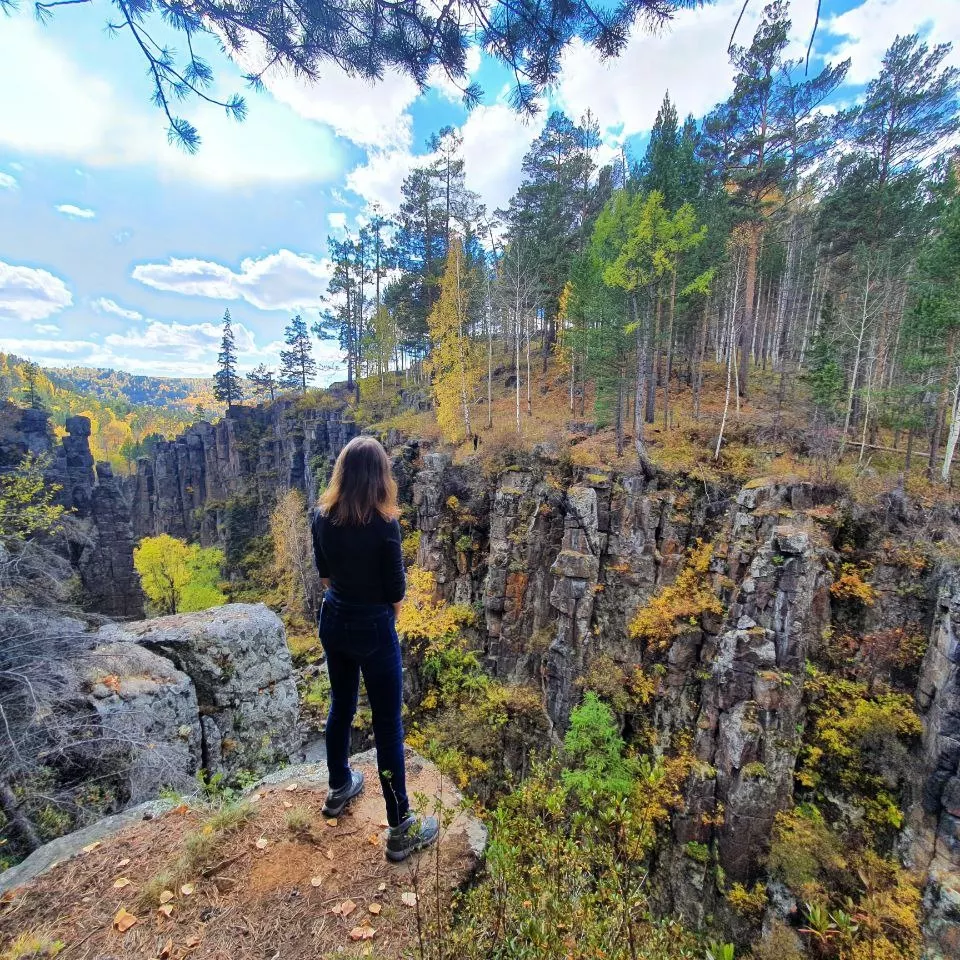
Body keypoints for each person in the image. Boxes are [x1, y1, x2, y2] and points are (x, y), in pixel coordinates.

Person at [311, 435, 439, 862]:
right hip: (374, 625)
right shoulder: (384, 525)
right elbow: (397, 590)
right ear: (380, 475)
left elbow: (325, 577)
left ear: (342, 472)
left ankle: (338, 786)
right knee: (387, 726)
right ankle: (401, 827)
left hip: (334, 619)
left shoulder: (322, 516)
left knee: (340, 706)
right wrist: (383, 618)